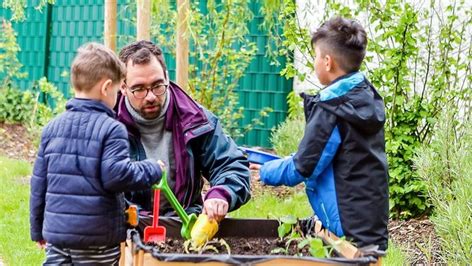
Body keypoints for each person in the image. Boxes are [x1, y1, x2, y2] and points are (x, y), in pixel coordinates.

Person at [256, 17, 389, 250]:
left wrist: (265, 172)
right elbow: (327, 154)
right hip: (369, 216)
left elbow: (303, 166)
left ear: (327, 62)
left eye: (316, 56)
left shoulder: (331, 107)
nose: (315, 62)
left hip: (348, 221)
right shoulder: (364, 96)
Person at [30, 42, 164, 265]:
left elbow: (38, 185)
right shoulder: (112, 129)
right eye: (117, 90)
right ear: (106, 87)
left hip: (58, 237)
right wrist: (152, 169)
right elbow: (116, 175)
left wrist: (37, 230)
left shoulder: (51, 128)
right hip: (97, 240)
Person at [116, 40, 251, 222]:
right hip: (127, 224)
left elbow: (231, 164)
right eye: (139, 89)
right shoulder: (108, 124)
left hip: (185, 222)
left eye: (157, 85)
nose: (150, 96)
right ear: (123, 87)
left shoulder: (196, 120)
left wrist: (221, 193)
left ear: (167, 77)